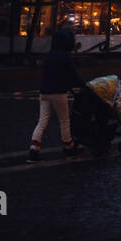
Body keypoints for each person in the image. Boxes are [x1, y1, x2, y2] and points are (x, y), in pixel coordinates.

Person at [28, 24, 86, 162]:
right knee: (64, 121)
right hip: (58, 92)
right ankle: (68, 147)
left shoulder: (49, 56)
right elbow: (72, 75)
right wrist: (82, 84)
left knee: (42, 122)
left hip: (44, 92)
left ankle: (34, 149)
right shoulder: (65, 56)